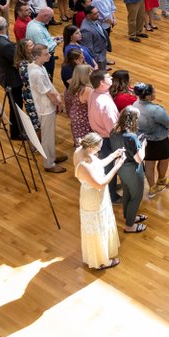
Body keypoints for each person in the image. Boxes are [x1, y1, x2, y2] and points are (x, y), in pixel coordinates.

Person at [73, 132, 125, 270]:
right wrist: (117, 166)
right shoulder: (83, 166)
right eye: (98, 148)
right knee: (97, 228)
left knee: (100, 226)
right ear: (90, 147)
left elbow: (98, 164)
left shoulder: (82, 151)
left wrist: (113, 155)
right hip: (93, 198)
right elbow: (100, 184)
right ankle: (101, 261)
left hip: (98, 196)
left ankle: (100, 255)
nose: (100, 150)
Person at [107, 106, 148, 233]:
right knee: (136, 196)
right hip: (132, 169)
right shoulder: (131, 137)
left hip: (120, 166)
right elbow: (139, 159)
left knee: (127, 193)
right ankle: (130, 226)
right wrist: (143, 145)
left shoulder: (113, 130)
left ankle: (129, 216)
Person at [27, 45, 66, 173]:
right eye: (46, 54)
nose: (49, 55)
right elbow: (48, 92)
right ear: (37, 56)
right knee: (47, 136)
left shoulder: (38, 66)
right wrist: (58, 103)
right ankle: (48, 163)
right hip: (46, 108)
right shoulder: (37, 73)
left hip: (47, 105)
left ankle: (52, 157)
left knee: (49, 135)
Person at [133, 83, 169, 196]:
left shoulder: (135, 104)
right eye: (153, 93)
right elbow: (168, 123)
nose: (154, 94)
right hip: (160, 140)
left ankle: (152, 187)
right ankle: (162, 179)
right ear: (147, 96)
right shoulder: (156, 110)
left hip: (144, 141)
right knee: (164, 159)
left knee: (149, 162)